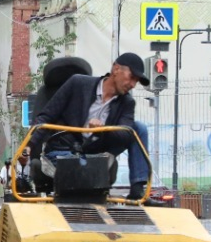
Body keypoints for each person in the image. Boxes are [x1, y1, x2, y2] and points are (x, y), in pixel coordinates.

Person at [30, 52, 150, 200]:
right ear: (116, 69)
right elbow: (46, 116)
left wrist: (101, 130)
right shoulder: (77, 84)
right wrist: (29, 146)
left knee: (139, 128)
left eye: (136, 81)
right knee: (76, 170)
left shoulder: (127, 103)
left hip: (96, 154)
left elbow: (125, 135)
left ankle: (137, 191)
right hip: (63, 151)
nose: (132, 85)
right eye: (131, 78)